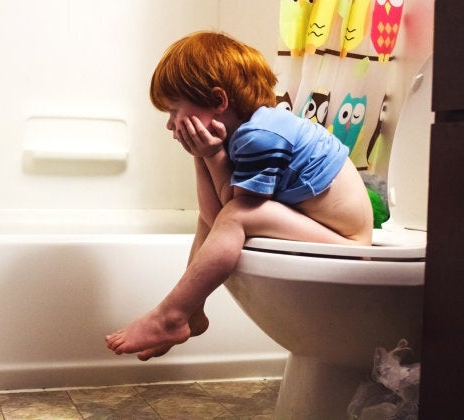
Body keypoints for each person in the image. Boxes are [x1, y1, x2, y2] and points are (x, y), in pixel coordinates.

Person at [105, 31, 373, 361]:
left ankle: (171, 315)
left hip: (349, 243)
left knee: (236, 217)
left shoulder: (259, 136)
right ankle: (191, 311)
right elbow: (210, 214)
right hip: (322, 228)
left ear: (219, 102)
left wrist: (211, 155)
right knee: (215, 221)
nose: (170, 124)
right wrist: (203, 155)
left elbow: (231, 211)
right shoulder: (245, 134)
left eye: (174, 110)